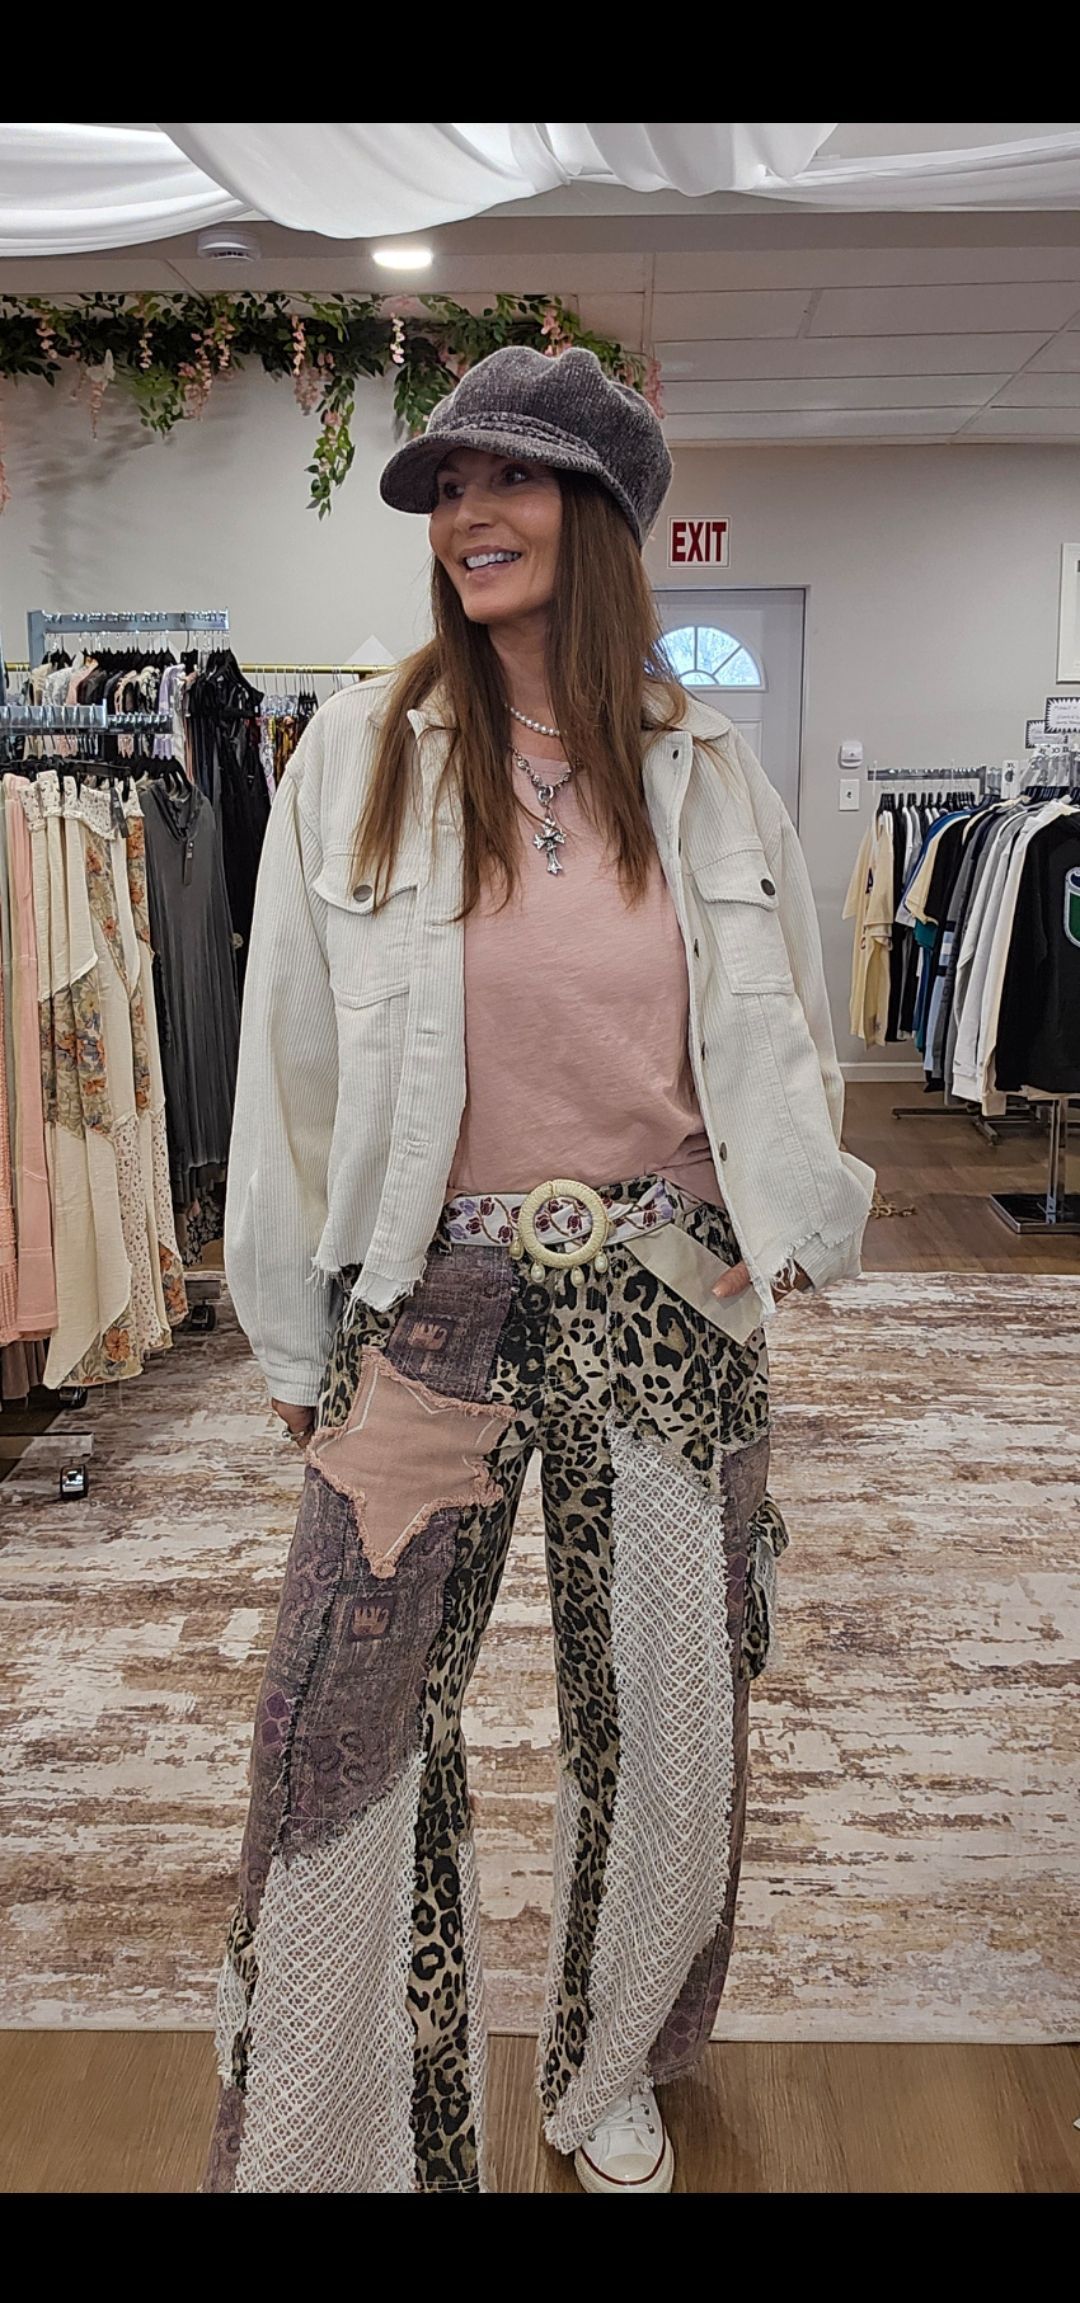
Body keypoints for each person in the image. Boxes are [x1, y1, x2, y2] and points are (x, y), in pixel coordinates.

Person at [204, 345, 874, 2196]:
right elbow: (289, 1063)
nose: (470, 514)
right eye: (448, 486)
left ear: (608, 518)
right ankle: (345, 2131)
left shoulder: (705, 769)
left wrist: (788, 1229)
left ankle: (606, 2074)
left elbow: (787, 1030)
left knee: (662, 1719)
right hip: (428, 1312)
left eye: (517, 479)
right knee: (341, 1720)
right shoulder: (360, 746)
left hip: (667, 1297)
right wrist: (286, 1320)